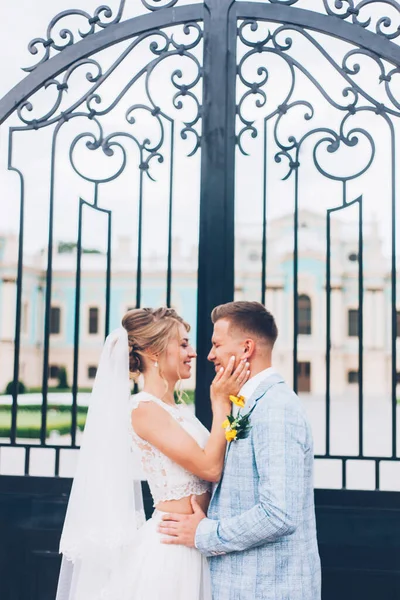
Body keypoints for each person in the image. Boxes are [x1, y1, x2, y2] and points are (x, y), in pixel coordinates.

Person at [55, 306, 249, 600]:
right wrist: (221, 403)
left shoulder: (177, 410)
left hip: (197, 542)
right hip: (171, 554)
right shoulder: (143, 409)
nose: (194, 353)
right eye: (183, 344)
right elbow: (210, 469)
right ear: (153, 352)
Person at [158, 301, 322, 600]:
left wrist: (203, 533)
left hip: (269, 589)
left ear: (246, 348)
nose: (209, 355)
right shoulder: (248, 404)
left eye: (216, 344)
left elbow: (279, 514)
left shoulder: (276, 408)